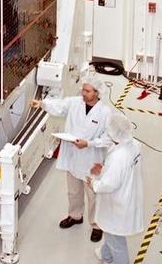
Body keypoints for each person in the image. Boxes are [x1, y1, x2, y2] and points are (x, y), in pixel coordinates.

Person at [31, 70, 111, 242]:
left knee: (94, 196)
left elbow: (108, 138)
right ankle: (75, 216)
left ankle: (97, 225)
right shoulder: (75, 103)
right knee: (73, 191)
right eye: (83, 89)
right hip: (74, 157)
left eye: (88, 91)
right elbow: (59, 106)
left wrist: (88, 143)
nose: (83, 93)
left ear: (97, 93)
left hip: (92, 160)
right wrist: (42, 103)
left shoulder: (105, 113)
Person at [87, 110, 144, 264]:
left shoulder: (119, 157)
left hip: (118, 203)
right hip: (127, 196)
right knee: (110, 231)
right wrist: (105, 168)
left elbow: (109, 184)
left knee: (115, 237)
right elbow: (120, 172)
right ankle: (107, 256)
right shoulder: (134, 144)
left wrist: (93, 183)